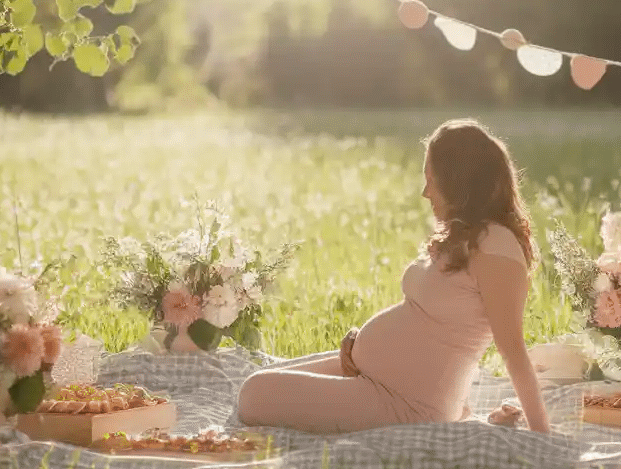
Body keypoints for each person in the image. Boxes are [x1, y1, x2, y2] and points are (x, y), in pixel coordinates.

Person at [235, 118, 550, 434]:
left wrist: (542, 437)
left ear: (457, 182)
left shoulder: (497, 248)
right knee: (261, 378)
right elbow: (425, 320)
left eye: (431, 179)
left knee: (254, 395)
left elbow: (514, 352)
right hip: (377, 379)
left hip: (407, 404)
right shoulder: (465, 235)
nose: (426, 192)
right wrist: (363, 345)